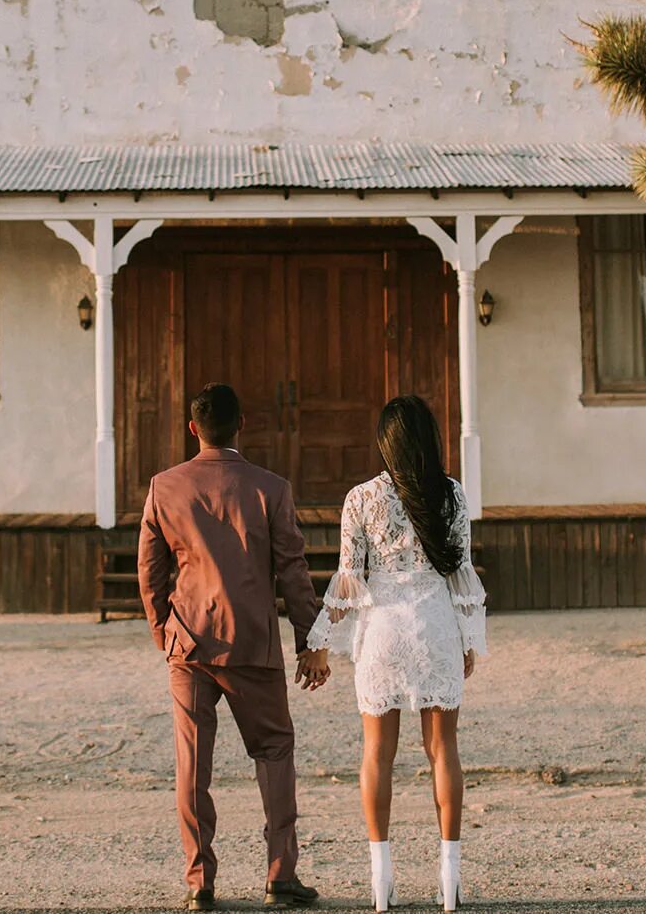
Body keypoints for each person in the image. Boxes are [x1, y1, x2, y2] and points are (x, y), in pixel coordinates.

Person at [138, 382, 332, 910]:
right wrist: (309, 642)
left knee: (192, 763)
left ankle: (200, 881)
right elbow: (293, 570)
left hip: (190, 645)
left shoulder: (164, 487)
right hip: (252, 643)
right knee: (274, 753)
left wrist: (165, 633)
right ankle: (280, 876)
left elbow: (150, 572)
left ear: (193, 428)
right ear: (241, 423)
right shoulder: (271, 488)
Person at [308, 395, 487, 912]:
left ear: (386, 442)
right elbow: (460, 572)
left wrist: (319, 641)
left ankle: (380, 880)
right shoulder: (451, 494)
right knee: (443, 750)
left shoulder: (360, 498)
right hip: (435, 627)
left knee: (376, 754)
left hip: (383, 630)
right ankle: (449, 880)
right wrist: (468, 638)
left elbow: (349, 580)